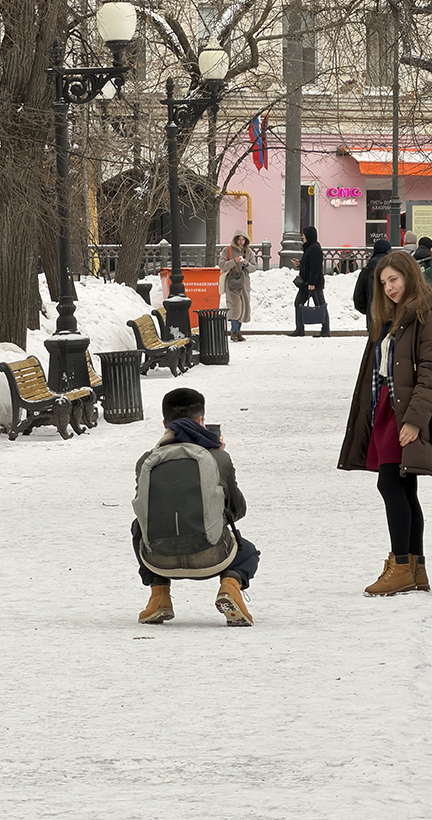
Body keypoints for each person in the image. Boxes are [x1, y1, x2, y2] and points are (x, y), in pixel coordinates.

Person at [338, 251, 432, 596]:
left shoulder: (428, 319)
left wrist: (413, 421)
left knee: (392, 485)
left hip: (405, 413)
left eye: (394, 279)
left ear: (410, 276)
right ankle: (415, 567)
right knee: (404, 488)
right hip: (388, 409)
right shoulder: (397, 318)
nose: (389, 288)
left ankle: (401, 566)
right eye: (383, 283)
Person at [131, 387, 260, 626]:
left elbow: (143, 512)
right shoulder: (218, 458)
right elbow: (236, 510)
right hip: (211, 557)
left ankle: (159, 595)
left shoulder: (146, 461)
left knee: (137, 526)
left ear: (164, 423)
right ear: (201, 420)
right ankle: (230, 586)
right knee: (249, 552)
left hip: (159, 560)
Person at [288, 225, 331, 338]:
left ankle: (325, 330)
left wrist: (312, 283)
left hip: (313, 284)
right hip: (307, 284)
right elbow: (309, 264)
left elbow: (316, 267)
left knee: (320, 305)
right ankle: (300, 329)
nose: (302, 237)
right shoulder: (310, 247)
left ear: (309, 236)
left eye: (304, 234)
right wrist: (300, 264)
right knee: (299, 303)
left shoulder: (314, 248)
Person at [219, 229, 257, 342]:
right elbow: (222, 265)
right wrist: (233, 261)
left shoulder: (248, 252)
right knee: (235, 307)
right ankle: (233, 332)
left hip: (244, 284)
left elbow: (254, 267)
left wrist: (246, 264)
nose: (241, 242)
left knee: (243, 308)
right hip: (231, 283)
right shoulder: (227, 250)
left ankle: (238, 332)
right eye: (239, 239)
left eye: (243, 239)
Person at [353, 238, 391, 331]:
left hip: (373, 319)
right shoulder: (394, 269)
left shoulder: (367, 270)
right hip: (392, 317)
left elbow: (359, 298)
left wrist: (368, 310)